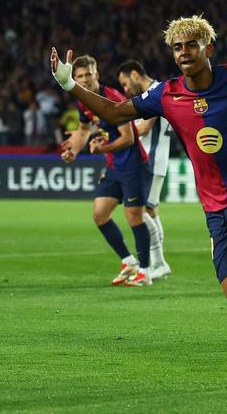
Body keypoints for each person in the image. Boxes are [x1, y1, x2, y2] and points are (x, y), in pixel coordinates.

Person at [51, 11, 227, 385]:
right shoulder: (167, 93)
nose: (184, 52)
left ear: (209, 48)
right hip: (214, 206)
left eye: (192, 45)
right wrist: (68, 84)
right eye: (177, 47)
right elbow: (112, 111)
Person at [61, 54, 153, 287]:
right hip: (114, 167)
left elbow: (128, 137)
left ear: (97, 74)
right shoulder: (83, 101)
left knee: (134, 217)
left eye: (88, 74)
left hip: (133, 166)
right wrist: (74, 151)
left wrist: (102, 149)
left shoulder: (112, 98)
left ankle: (145, 271)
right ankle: (128, 262)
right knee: (99, 213)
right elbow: (83, 130)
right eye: (79, 76)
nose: (84, 80)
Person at [117, 60, 172, 280]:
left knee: (141, 212)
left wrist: (118, 134)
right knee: (150, 210)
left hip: (152, 160)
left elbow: (145, 127)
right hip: (155, 160)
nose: (125, 89)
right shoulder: (155, 91)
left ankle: (158, 262)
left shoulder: (154, 91)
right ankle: (158, 262)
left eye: (125, 83)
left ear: (134, 74)